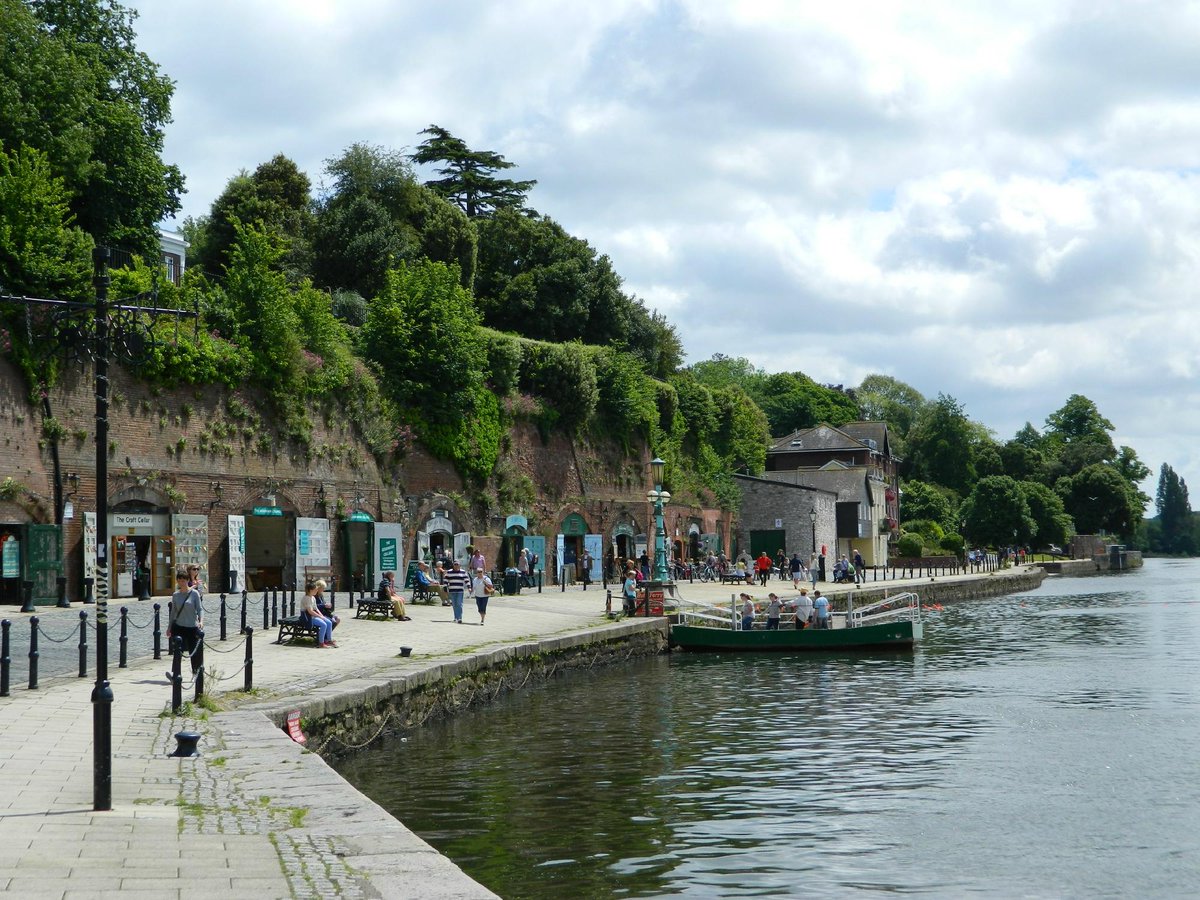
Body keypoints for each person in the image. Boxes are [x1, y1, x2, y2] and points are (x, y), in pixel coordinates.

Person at [168, 569, 204, 673]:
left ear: (187, 581)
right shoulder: (175, 595)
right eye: (179, 581)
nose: (181, 583)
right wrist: (169, 627)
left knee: (194, 652)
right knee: (178, 652)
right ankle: (176, 673)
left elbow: (200, 609)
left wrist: (201, 621)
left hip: (192, 627)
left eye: (183, 581)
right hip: (179, 627)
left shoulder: (194, 594)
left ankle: (196, 672)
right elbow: (173, 612)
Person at [300, 579, 335, 648]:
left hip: (314, 616)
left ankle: (328, 640)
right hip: (309, 617)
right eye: (315, 590)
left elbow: (316, 608)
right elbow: (310, 611)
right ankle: (321, 642)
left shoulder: (313, 597)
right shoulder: (307, 598)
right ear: (310, 590)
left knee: (329, 622)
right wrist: (320, 616)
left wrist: (322, 616)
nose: (316, 591)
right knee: (323, 625)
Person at [443, 559, 470, 624]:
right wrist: (445, 588)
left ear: (459, 565)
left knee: (459, 604)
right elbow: (445, 580)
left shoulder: (463, 572)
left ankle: (459, 618)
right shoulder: (449, 572)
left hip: (460, 591)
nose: (456, 565)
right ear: (453, 565)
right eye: (455, 564)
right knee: (454, 604)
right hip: (452, 591)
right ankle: (456, 617)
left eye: (457, 564)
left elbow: (467, 580)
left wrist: (469, 587)